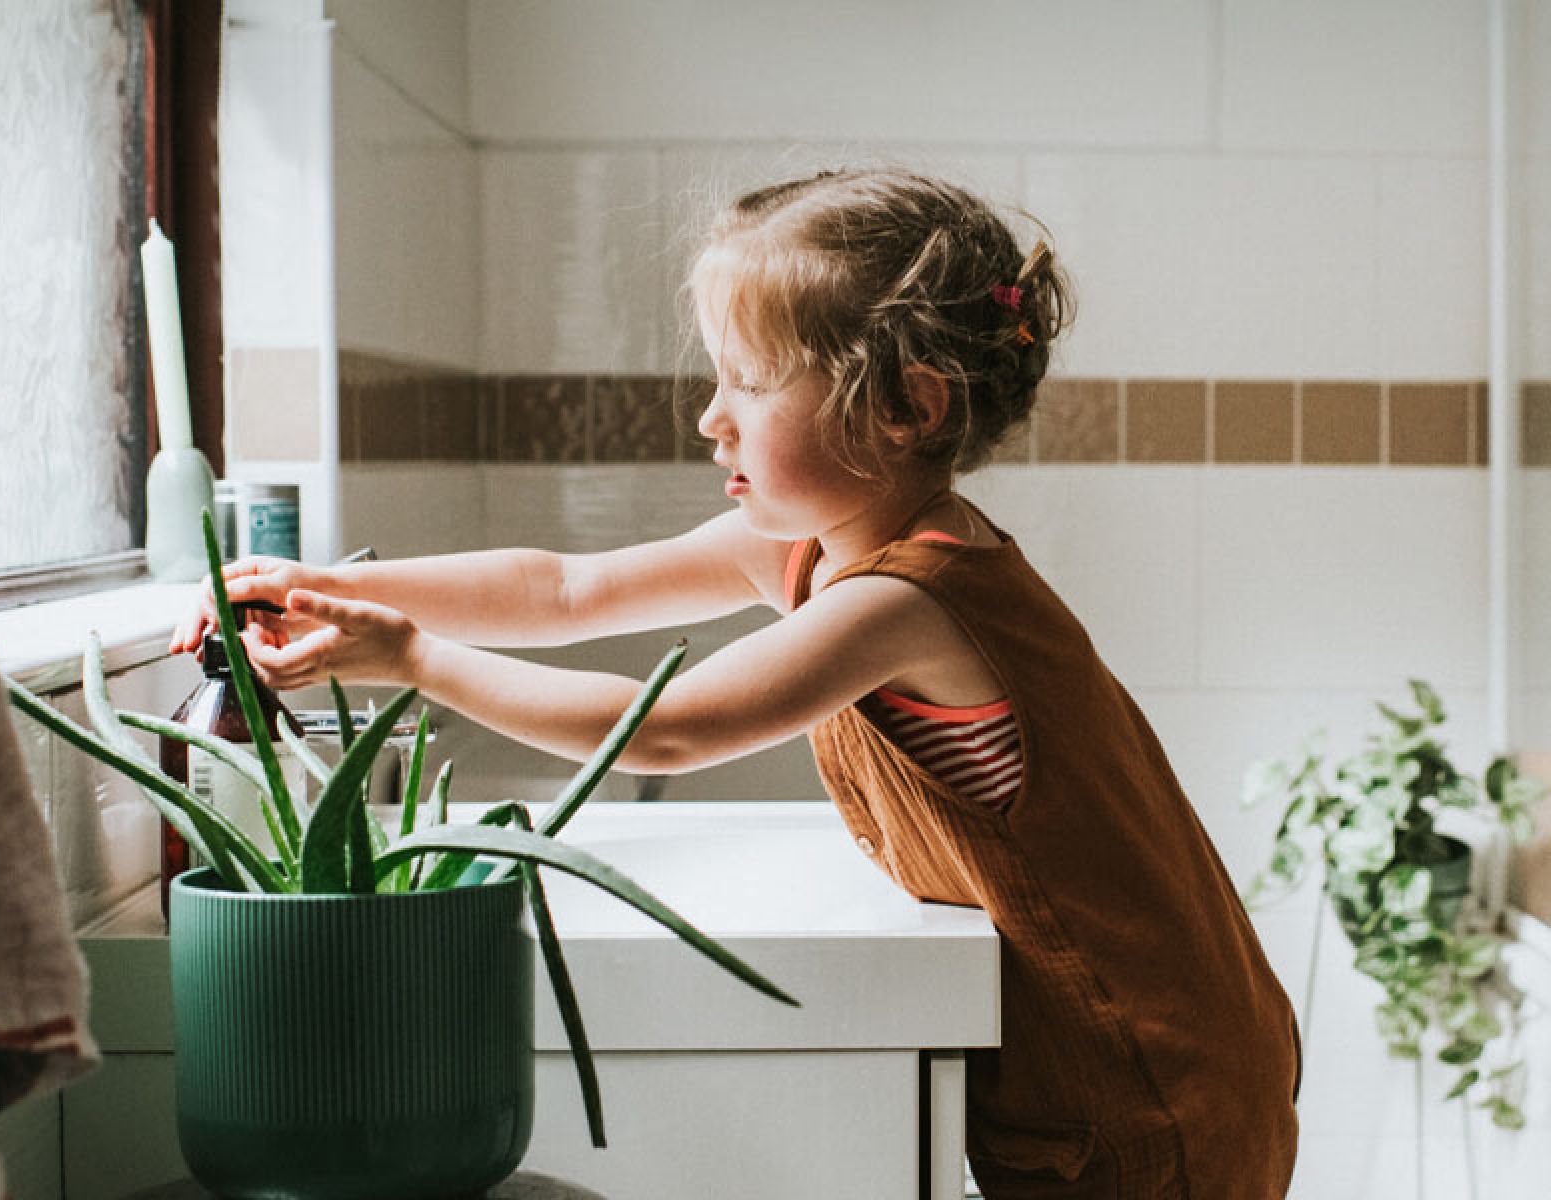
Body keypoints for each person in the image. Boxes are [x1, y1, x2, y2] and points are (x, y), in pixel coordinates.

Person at [171, 168, 1300, 1198]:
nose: (711, 416)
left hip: (1148, 1085)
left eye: (750, 382)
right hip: (1121, 1066)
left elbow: (663, 731)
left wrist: (411, 662)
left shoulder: (909, 600)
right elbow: (567, 589)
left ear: (909, 408)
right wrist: (326, 586)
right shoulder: (814, 547)